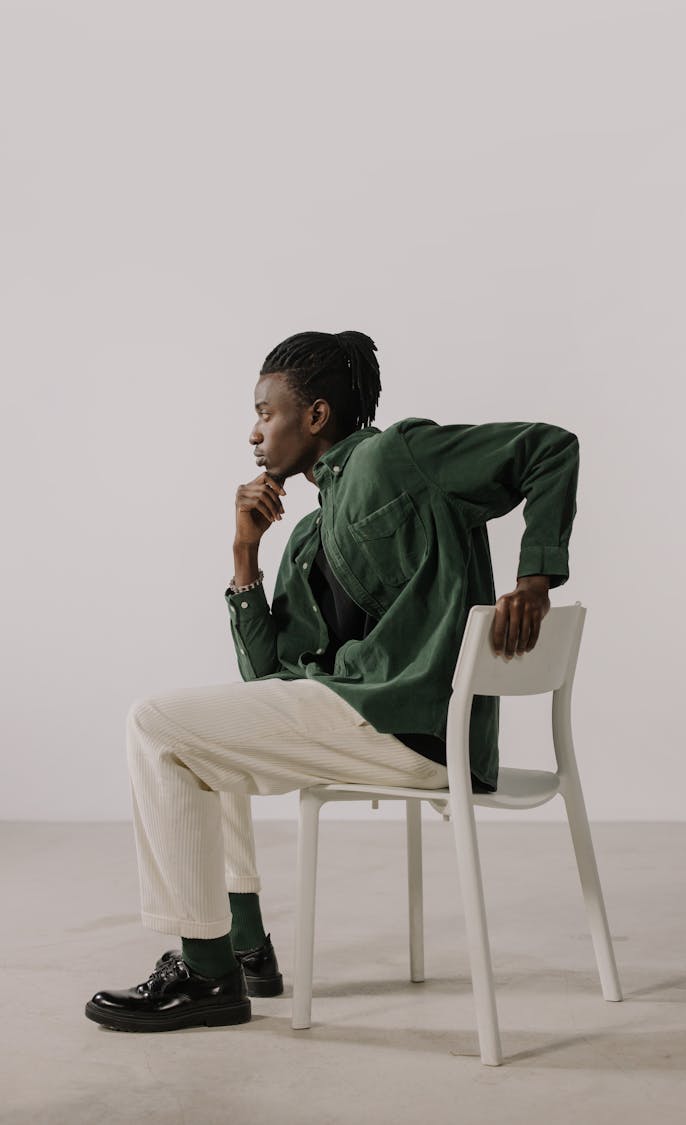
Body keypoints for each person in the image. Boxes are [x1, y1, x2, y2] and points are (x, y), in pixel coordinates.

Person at [84, 329, 579, 1032]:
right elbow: (266, 682)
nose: (253, 432)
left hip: (409, 722)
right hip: (371, 717)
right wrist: (245, 555)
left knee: (154, 723)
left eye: (266, 412)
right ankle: (243, 948)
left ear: (315, 416)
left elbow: (548, 446)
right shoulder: (312, 535)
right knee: (198, 735)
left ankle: (205, 971)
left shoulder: (395, 454)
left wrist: (535, 578)